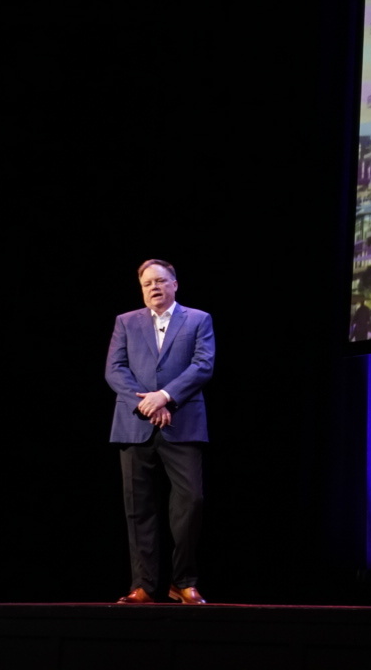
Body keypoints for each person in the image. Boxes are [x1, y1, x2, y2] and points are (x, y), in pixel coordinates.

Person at [106, 258, 216, 605]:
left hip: (183, 422)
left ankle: (183, 581)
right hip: (135, 423)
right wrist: (147, 403)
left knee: (191, 501)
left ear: (174, 284)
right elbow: (115, 369)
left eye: (160, 281)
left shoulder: (198, 319)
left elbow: (203, 365)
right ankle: (144, 585)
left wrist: (165, 397)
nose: (154, 287)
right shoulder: (126, 322)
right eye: (147, 283)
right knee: (138, 507)